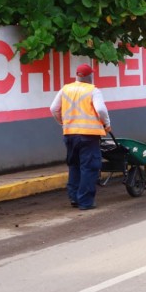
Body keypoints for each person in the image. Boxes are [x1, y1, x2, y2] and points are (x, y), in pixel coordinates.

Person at [50, 63, 111, 210]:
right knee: (89, 167)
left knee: (74, 166)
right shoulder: (93, 90)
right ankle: (85, 201)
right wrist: (107, 123)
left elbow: (53, 109)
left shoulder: (65, 89)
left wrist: (63, 123)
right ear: (90, 76)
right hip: (88, 136)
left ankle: (74, 198)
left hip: (70, 134)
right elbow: (101, 109)